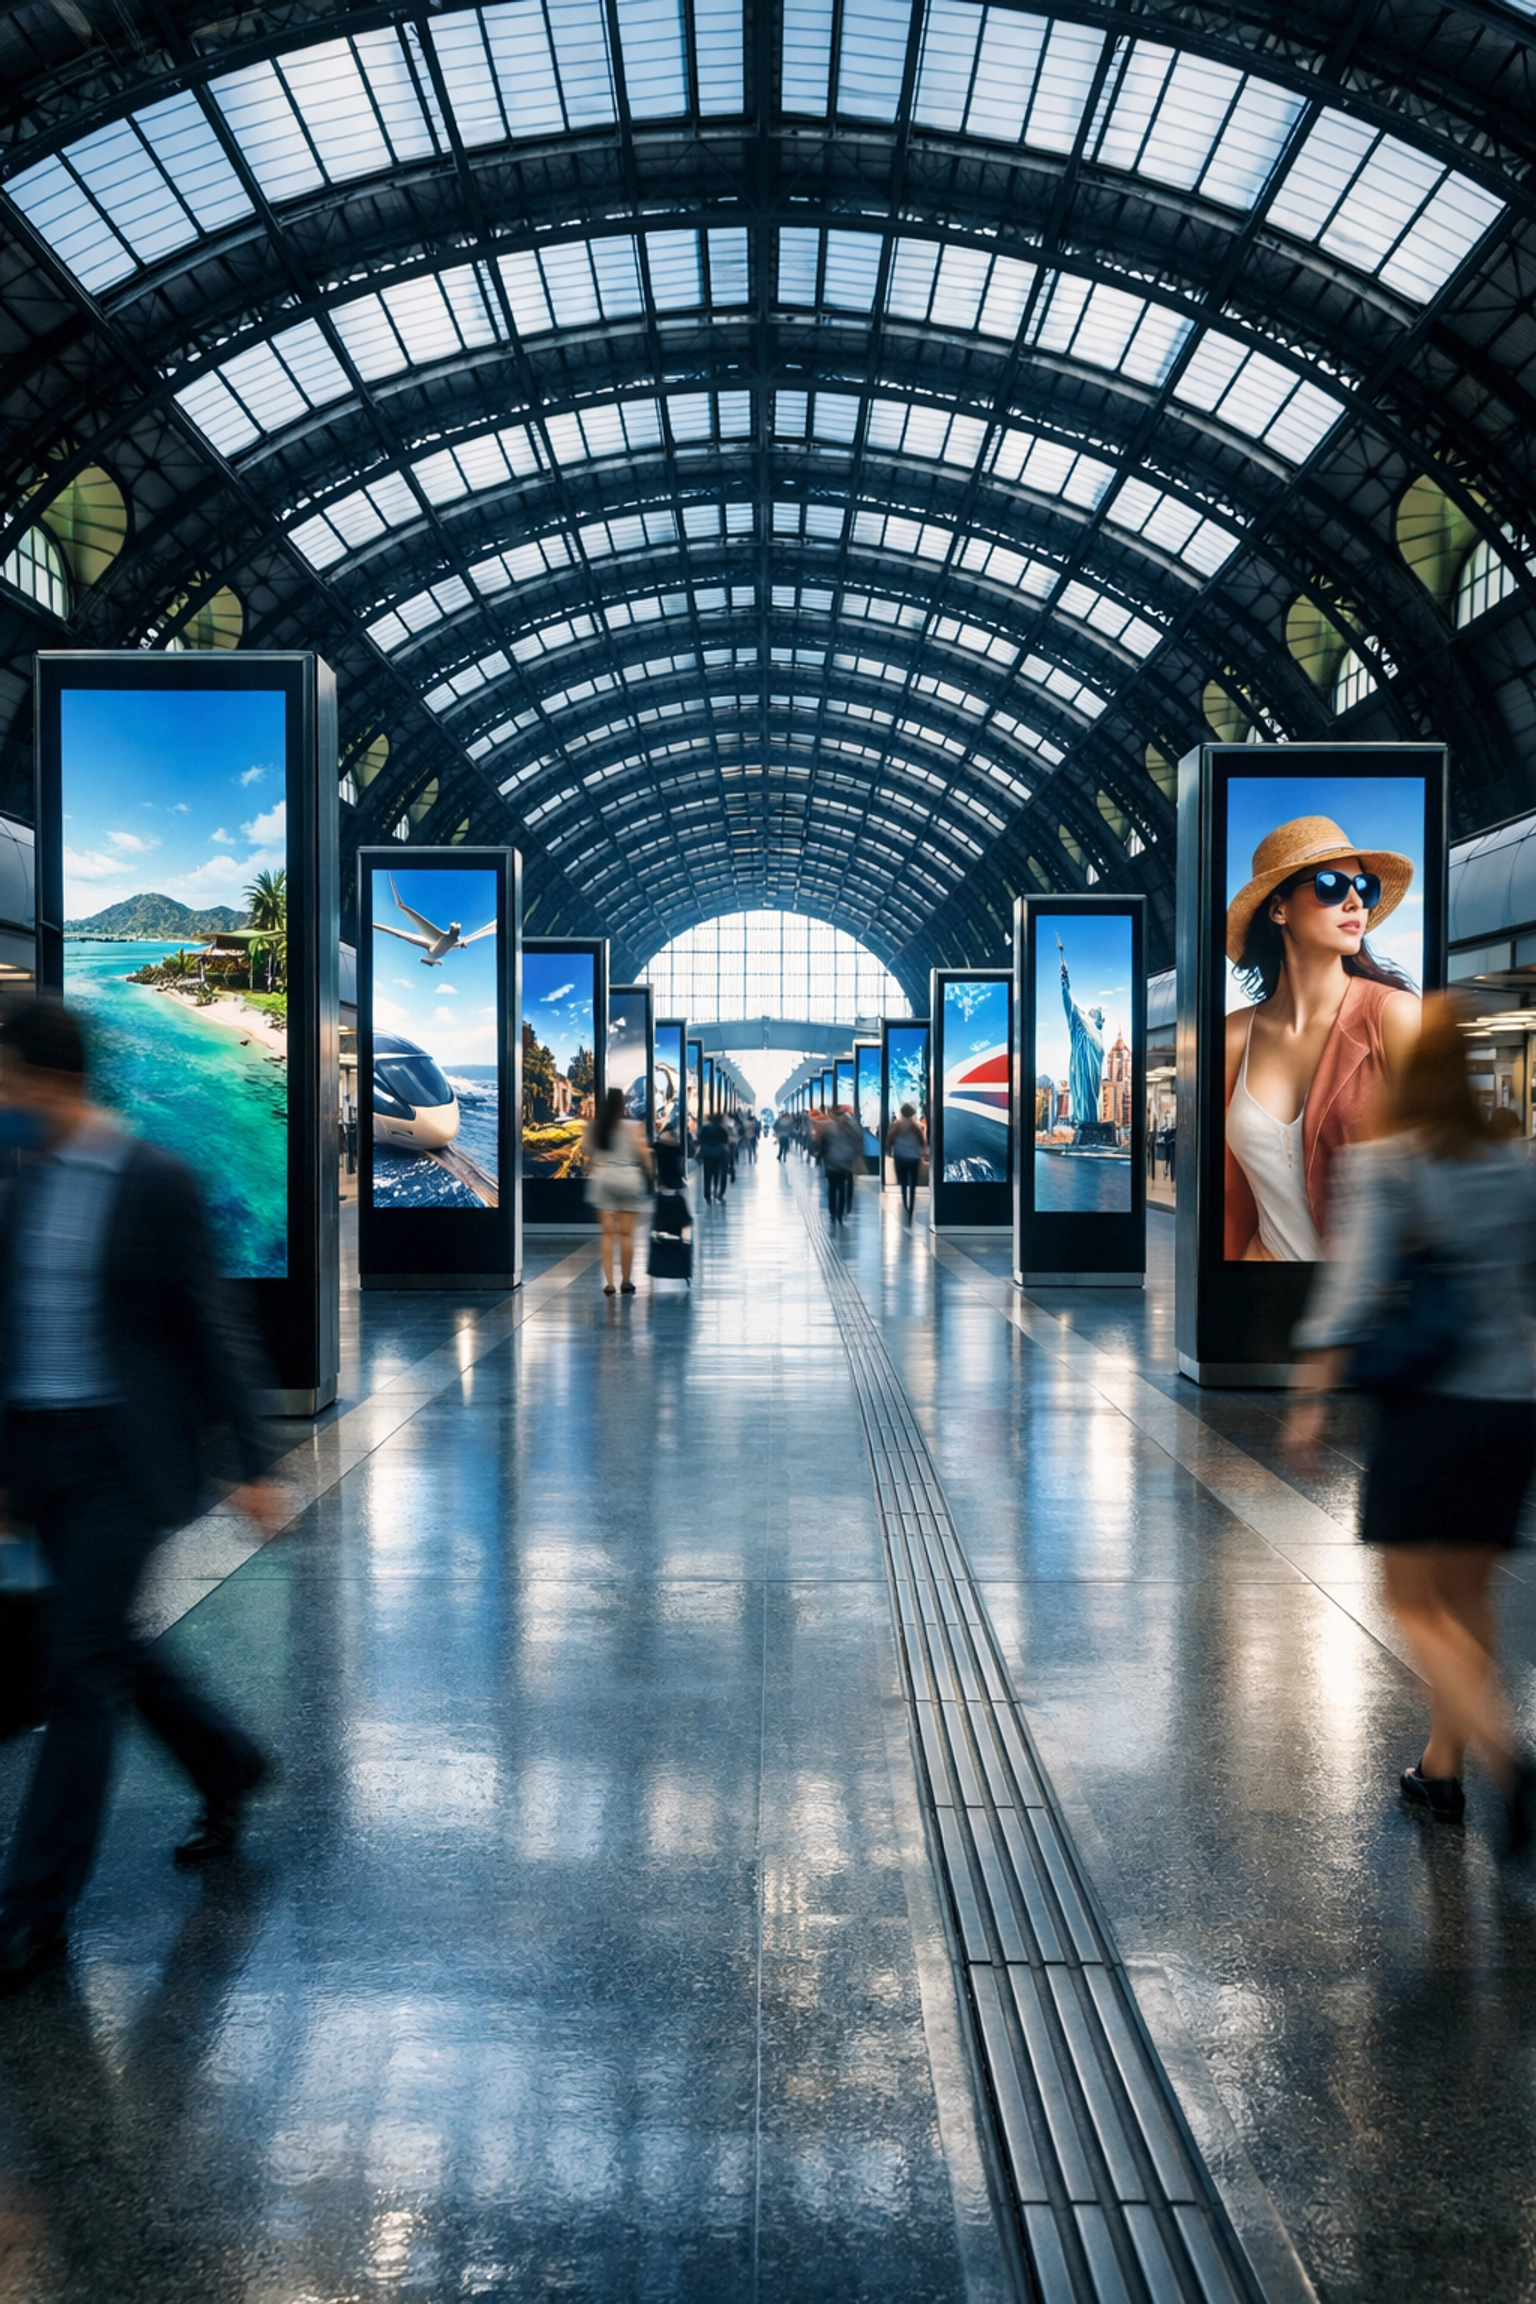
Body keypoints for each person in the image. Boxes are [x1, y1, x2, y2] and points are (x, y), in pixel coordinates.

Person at [0, 998, 284, 1990]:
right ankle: (227, 1764)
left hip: (125, 1461)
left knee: (78, 1668)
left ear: (47, 1079)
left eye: (5, 1080)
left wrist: (255, 1461)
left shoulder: (156, 1181)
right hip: (40, 1452)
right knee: (107, 1641)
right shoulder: (24, 1181)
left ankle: (31, 1909)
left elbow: (212, 1326)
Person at [1285, 998, 1536, 1850]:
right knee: (1469, 1596)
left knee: (1411, 1600)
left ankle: (1508, 1758)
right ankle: (1442, 1769)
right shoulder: (1519, 1164)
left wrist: (1312, 1397)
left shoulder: (1390, 1164)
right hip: (1510, 1408)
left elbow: (1350, 1298)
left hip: (1428, 1410)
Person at [1225, 815, 1420, 1261]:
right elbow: (1229, 1196)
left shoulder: (1393, 1017)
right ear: (1279, 909)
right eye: (1331, 886)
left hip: (1369, 1314)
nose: (1355, 902)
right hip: (1263, 1298)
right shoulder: (1235, 1036)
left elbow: (1443, 1173)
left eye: (1364, 888)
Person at [583, 1086, 654, 1293]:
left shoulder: (595, 1127)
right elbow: (645, 1156)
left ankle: (609, 1283)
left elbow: (589, 1155)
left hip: (604, 1179)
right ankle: (626, 1281)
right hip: (629, 1179)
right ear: (623, 1104)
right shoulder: (634, 1127)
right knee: (626, 1234)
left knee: (607, 1233)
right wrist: (651, 1177)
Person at [887, 1103, 926, 1221]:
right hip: (914, 1158)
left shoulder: (896, 1126)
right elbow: (922, 1142)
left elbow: (889, 1140)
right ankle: (911, 1207)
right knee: (913, 1184)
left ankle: (905, 1203)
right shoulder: (916, 1127)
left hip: (900, 1157)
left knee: (903, 1183)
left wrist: (889, 1151)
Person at [823, 1104, 860, 1226]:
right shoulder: (849, 1126)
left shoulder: (828, 1126)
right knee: (842, 1188)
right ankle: (839, 1214)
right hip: (845, 1163)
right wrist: (854, 1154)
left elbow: (823, 1142)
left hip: (832, 1163)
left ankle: (833, 1213)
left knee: (832, 1189)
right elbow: (857, 1139)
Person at [699, 1110, 731, 1204]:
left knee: (707, 1174)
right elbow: (725, 1140)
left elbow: (701, 1139)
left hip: (707, 1154)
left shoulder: (705, 1128)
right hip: (719, 1154)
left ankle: (707, 1193)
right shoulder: (722, 1129)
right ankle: (717, 1191)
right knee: (717, 1173)